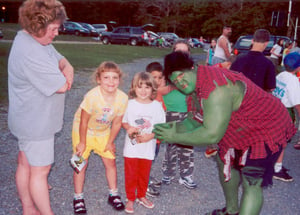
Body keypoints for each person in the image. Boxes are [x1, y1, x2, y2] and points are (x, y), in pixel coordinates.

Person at [153, 51, 296, 215]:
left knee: (251, 181)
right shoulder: (194, 88)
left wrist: (174, 136)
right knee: (224, 162)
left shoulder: (216, 88)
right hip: (242, 126)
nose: (181, 83)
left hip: (268, 125)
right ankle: (231, 210)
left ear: (192, 67)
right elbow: (193, 121)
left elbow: (212, 135)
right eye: (175, 81)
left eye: (181, 75)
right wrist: (164, 130)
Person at [7, 0, 73, 214]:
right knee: (40, 171)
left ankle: (28, 209)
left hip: (27, 119)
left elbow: (63, 61)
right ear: (38, 26)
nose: (56, 33)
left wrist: (66, 67)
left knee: (26, 163)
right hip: (36, 124)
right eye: (53, 28)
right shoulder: (32, 52)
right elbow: (63, 85)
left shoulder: (31, 40)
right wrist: (66, 73)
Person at [231, 29, 293, 182]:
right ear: (267, 43)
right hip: (257, 106)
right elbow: (270, 89)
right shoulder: (268, 64)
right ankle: (250, 164)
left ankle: (236, 161)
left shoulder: (239, 59)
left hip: (238, 104)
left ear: (253, 41)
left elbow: (230, 81)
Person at [71, 61, 127, 214]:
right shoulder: (92, 96)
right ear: (99, 79)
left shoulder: (122, 98)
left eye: (114, 78)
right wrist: (82, 142)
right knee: (81, 163)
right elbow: (83, 121)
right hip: (84, 130)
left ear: (119, 80)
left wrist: (110, 142)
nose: (111, 81)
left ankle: (113, 194)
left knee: (110, 161)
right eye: (106, 77)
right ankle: (78, 197)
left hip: (103, 132)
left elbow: (116, 123)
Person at [122, 72, 165, 214]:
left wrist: (151, 136)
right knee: (131, 173)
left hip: (148, 147)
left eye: (147, 87)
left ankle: (141, 195)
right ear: (134, 88)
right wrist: (129, 129)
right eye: (140, 87)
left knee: (144, 173)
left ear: (153, 89)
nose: (143, 91)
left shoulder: (157, 106)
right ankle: (130, 198)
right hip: (132, 148)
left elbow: (160, 127)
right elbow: (124, 122)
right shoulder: (129, 104)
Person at [161, 40, 197, 189]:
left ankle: (186, 175)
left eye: (185, 52)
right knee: (171, 144)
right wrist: (174, 85)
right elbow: (159, 90)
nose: (182, 54)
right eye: (178, 52)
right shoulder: (167, 72)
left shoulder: (192, 71)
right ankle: (168, 172)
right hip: (172, 111)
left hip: (188, 112)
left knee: (187, 144)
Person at [273, 52, 300, 152]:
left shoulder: (281, 75)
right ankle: (277, 165)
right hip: (285, 113)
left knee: (275, 139)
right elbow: (297, 103)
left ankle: (276, 163)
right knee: (282, 140)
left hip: (275, 108)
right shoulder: (293, 81)